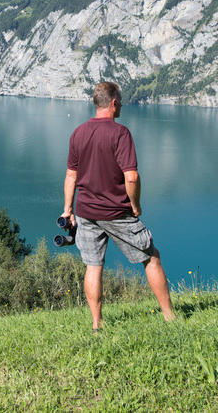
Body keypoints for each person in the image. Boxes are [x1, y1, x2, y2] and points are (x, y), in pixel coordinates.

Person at [61, 81, 176, 331]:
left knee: (93, 266)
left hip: (85, 212)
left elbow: (71, 175)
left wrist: (68, 210)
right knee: (151, 257)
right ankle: (170, 317)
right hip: (116, 211)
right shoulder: (120, 133)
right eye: (120, 102)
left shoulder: (78, 133)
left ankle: (96, 324)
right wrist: (135, 206)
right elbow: (131, 177)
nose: (121, 105)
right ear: (113, 104)